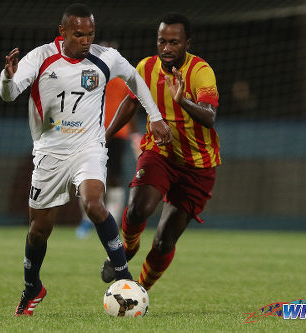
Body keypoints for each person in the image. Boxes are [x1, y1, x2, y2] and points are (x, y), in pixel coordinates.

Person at [0, 3, 171, 316]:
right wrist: (7, 78)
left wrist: (155, 116)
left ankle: (123, 277)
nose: (86, 40)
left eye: (90, 34)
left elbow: (135, 80)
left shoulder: (106, 58)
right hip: (50, 153)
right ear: (62, 31)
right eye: (79, 34)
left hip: (89, 147)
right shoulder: (40, 57)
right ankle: (32, 287)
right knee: (38, 230)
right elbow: (10, 94)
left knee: (94, 202)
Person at [100, 13, 221, 291]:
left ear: (187, 43)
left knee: (165, 240)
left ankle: (138, 290)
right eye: (162, 41)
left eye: (174, 42)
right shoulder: (145, 68)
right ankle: (127, 248)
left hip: (198, 165)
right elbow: (132, 103)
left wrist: (183, 100)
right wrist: (104, 137)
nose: (166, 48)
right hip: (160, 152)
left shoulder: (201, 71)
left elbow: (210, 116)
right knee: (139, 207)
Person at [75, 72, 141, 239]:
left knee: (114, 178)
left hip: (118, 134)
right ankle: (87, 221)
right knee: (88, 176)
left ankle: (112, 221)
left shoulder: (124, 80)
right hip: (92, 133)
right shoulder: (88, 77)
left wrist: (135, 135)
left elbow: (131, 106)